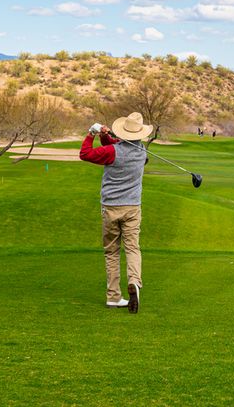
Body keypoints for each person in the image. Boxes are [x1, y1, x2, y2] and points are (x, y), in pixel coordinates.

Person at [79, 112, 153, 314]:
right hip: (132, 208)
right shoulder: (142, 153)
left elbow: (85, 154)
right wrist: (105, 135)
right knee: (132, 248)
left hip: (111, 207)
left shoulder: (112, 152)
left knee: (112, 252)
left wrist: (91, 134)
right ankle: (134, 282)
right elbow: (113, 147)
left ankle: (113, 296)